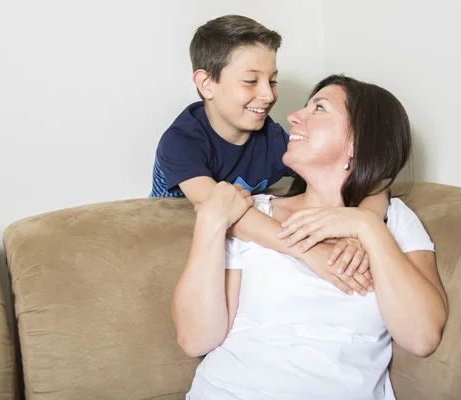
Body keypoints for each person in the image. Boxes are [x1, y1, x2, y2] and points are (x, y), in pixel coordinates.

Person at [172, 74, 449, 399]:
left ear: (358, 142)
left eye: (319, 108)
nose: (292, 116)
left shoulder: (393, 221)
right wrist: (209, 224)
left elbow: (422, 337)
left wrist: (366, 227)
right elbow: (195, 340)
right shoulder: (250, 213)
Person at [151, 15, 390, 294]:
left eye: (273, 81)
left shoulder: (274, 141)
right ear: (206, 84)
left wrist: (361, 228)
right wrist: (309, 252)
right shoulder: (181, 141)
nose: (267, 95)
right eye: (251, 81)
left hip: (237, 250)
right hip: (174, 238)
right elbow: (221, 211)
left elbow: (375, 180)